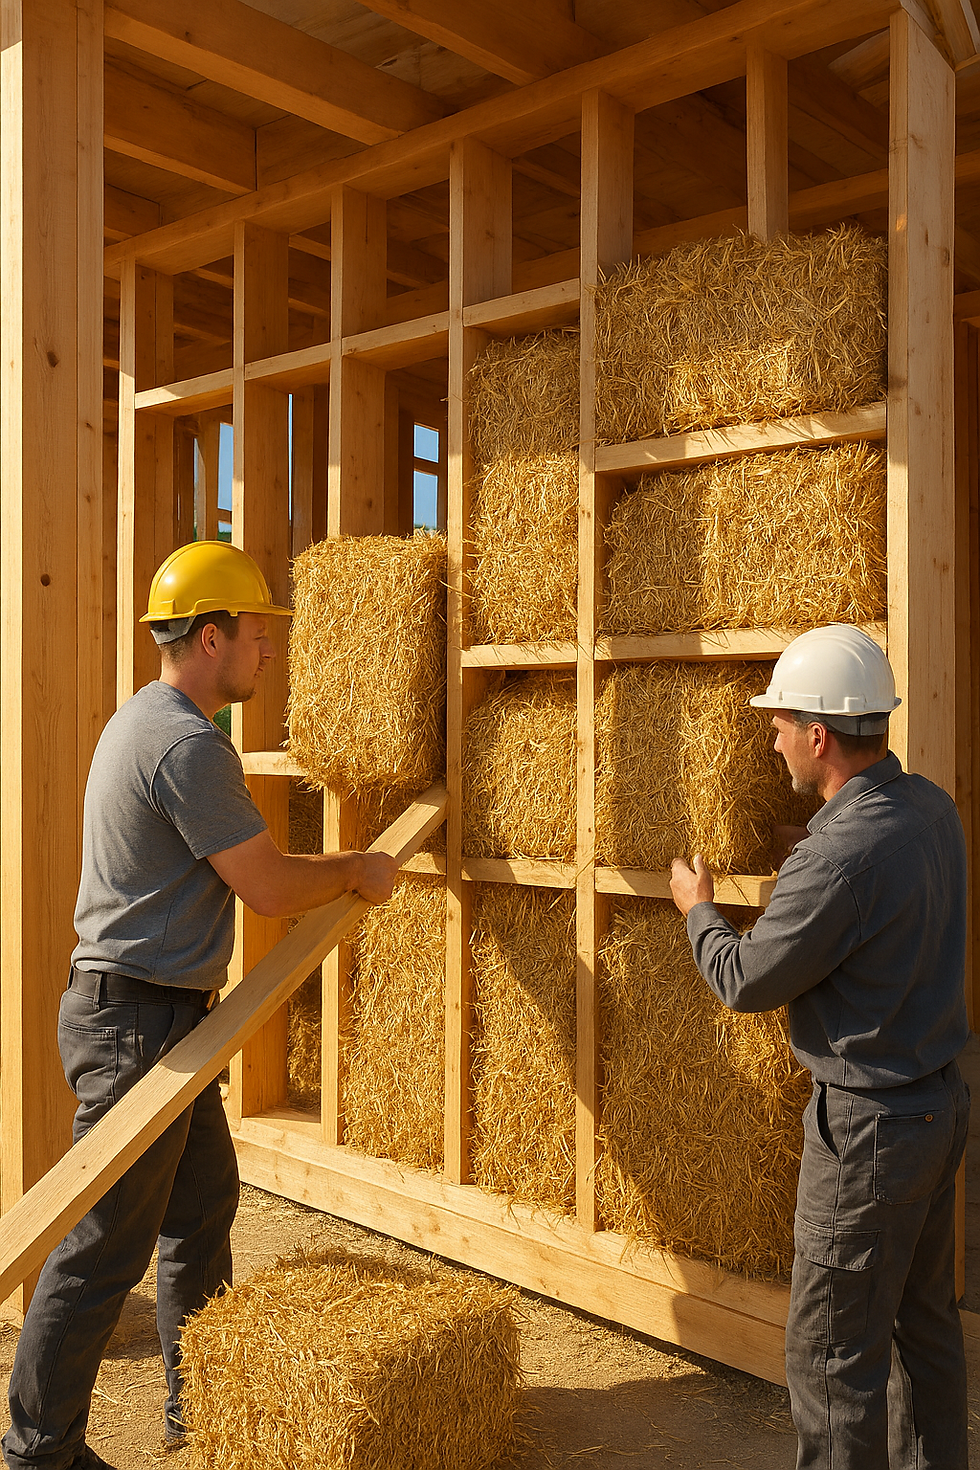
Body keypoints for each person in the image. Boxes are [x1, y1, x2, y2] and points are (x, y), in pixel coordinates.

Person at [2, 541, 398, 1470]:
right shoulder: (186, 744)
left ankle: (202, 1409)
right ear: (211, 636)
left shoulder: (144, 720)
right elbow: (264, 886)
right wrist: (356, 869)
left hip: (160, 1018)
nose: (270, 652)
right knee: (106, 1242)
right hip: (138, 1024)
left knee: (201, 1207)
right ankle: (37, 1448)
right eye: (259, 636)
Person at [669, 624, 971, 1470]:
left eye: (778, 724)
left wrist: (697, 907)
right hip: (940, 1105)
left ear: (819, 735)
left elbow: (744, 980)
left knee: (834, 1361)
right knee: (928, 1331)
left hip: (871, 1133)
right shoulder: (933, 809)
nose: (769, 741)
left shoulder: (837, 855)